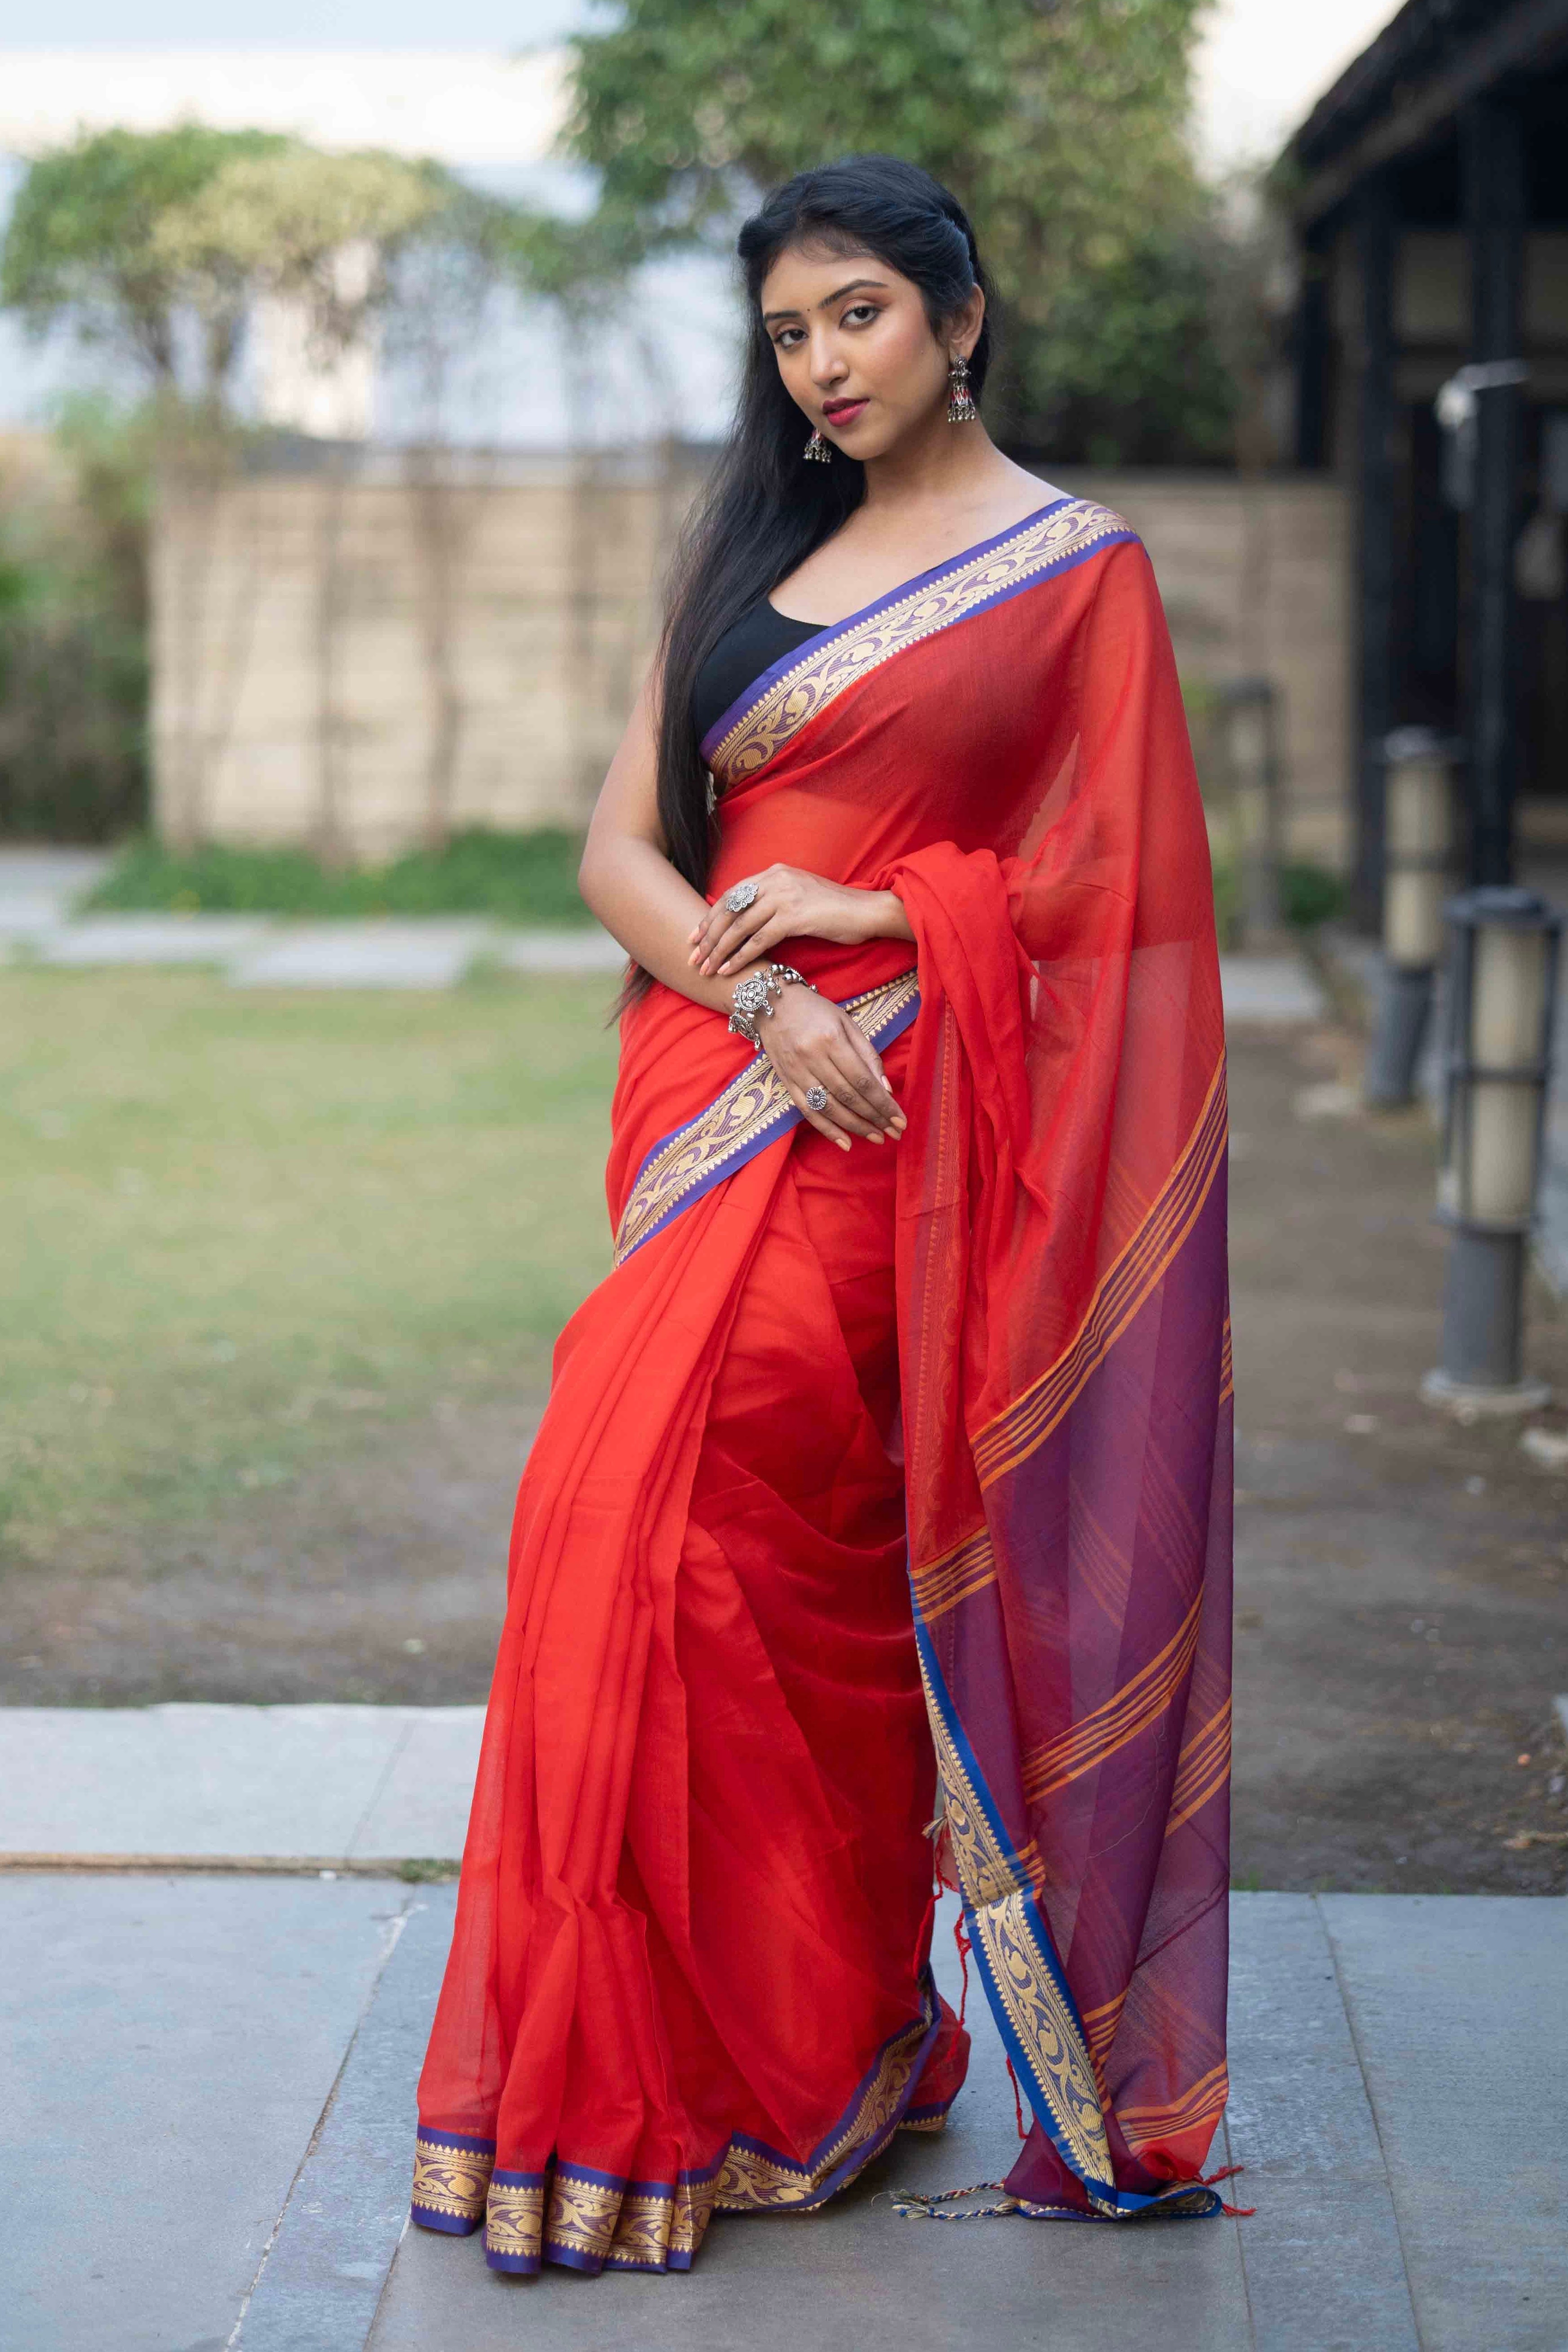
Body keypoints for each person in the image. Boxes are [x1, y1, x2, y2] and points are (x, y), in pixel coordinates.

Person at [410, 154, 1233, 2277]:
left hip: (904, 1146)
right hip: (735, 1095)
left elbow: (1131, 906)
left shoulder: (1079, 575)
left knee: (754, 1567)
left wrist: (892, 911)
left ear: (964, 317)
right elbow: (622, 849)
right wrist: (763, 995)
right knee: (624, 1542)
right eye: (791, 330)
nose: (824, 360)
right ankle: (703, 2073)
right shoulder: (745, 560)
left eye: (859, 312)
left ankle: (802, 2054)